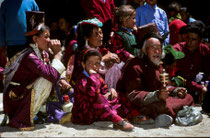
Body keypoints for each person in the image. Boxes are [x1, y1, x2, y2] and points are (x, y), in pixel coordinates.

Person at [3, 11, 67, 130]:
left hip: (23, 93)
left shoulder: (43, 54)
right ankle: (24, 117)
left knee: (52, 77)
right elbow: (51, 75)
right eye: (46, 37)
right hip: (15, 98)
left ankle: (37, 112)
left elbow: (54, 74)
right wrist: (58, 55)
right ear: (35, 39)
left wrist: (61, 78)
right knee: (46, 80)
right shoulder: (30, 57)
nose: (49, 40)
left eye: (49, 36)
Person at [116, 33, 194, 127]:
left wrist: (176, 91)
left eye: (159, 48)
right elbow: (133, 94)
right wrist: (156, 95)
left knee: (188, 97)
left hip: (159, 100)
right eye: (153, 48)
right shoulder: (135, 65)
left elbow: (165, 86)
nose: (157, 51)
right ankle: (171, 114)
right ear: (144, 50)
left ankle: (168, 115)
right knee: (163, 106)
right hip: (141, 104)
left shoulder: (158, 65)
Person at [71, 49, 134, 131]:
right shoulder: (81, 80)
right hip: (84, 113)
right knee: (99, 99)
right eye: (90, 63)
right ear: (83, 64)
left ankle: (132, 115)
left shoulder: (98, 76)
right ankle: (118, 120)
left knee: (119, 95)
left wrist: (109, 92)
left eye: (97, 63)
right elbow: (92, 94)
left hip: (98, 108)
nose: (94, 66)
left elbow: (104, 89)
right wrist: (93, 76)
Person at [66, 18, 119, 86]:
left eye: (100, 32)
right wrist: (103, 59)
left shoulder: (102, 50)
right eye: (96, 34)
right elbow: (84, 74)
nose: (100, 36)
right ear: (87, 37)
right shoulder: (81, 54)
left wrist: (109, 64)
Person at [173, 21, 210, 103]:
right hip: (178, 89)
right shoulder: (177, 50)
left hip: (198, 89)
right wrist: (199, 88)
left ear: (201, 40)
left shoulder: (204, 50)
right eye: (188, 38)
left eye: (193, 39)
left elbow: (208, 73)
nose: (189, 42)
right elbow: (177, 78)